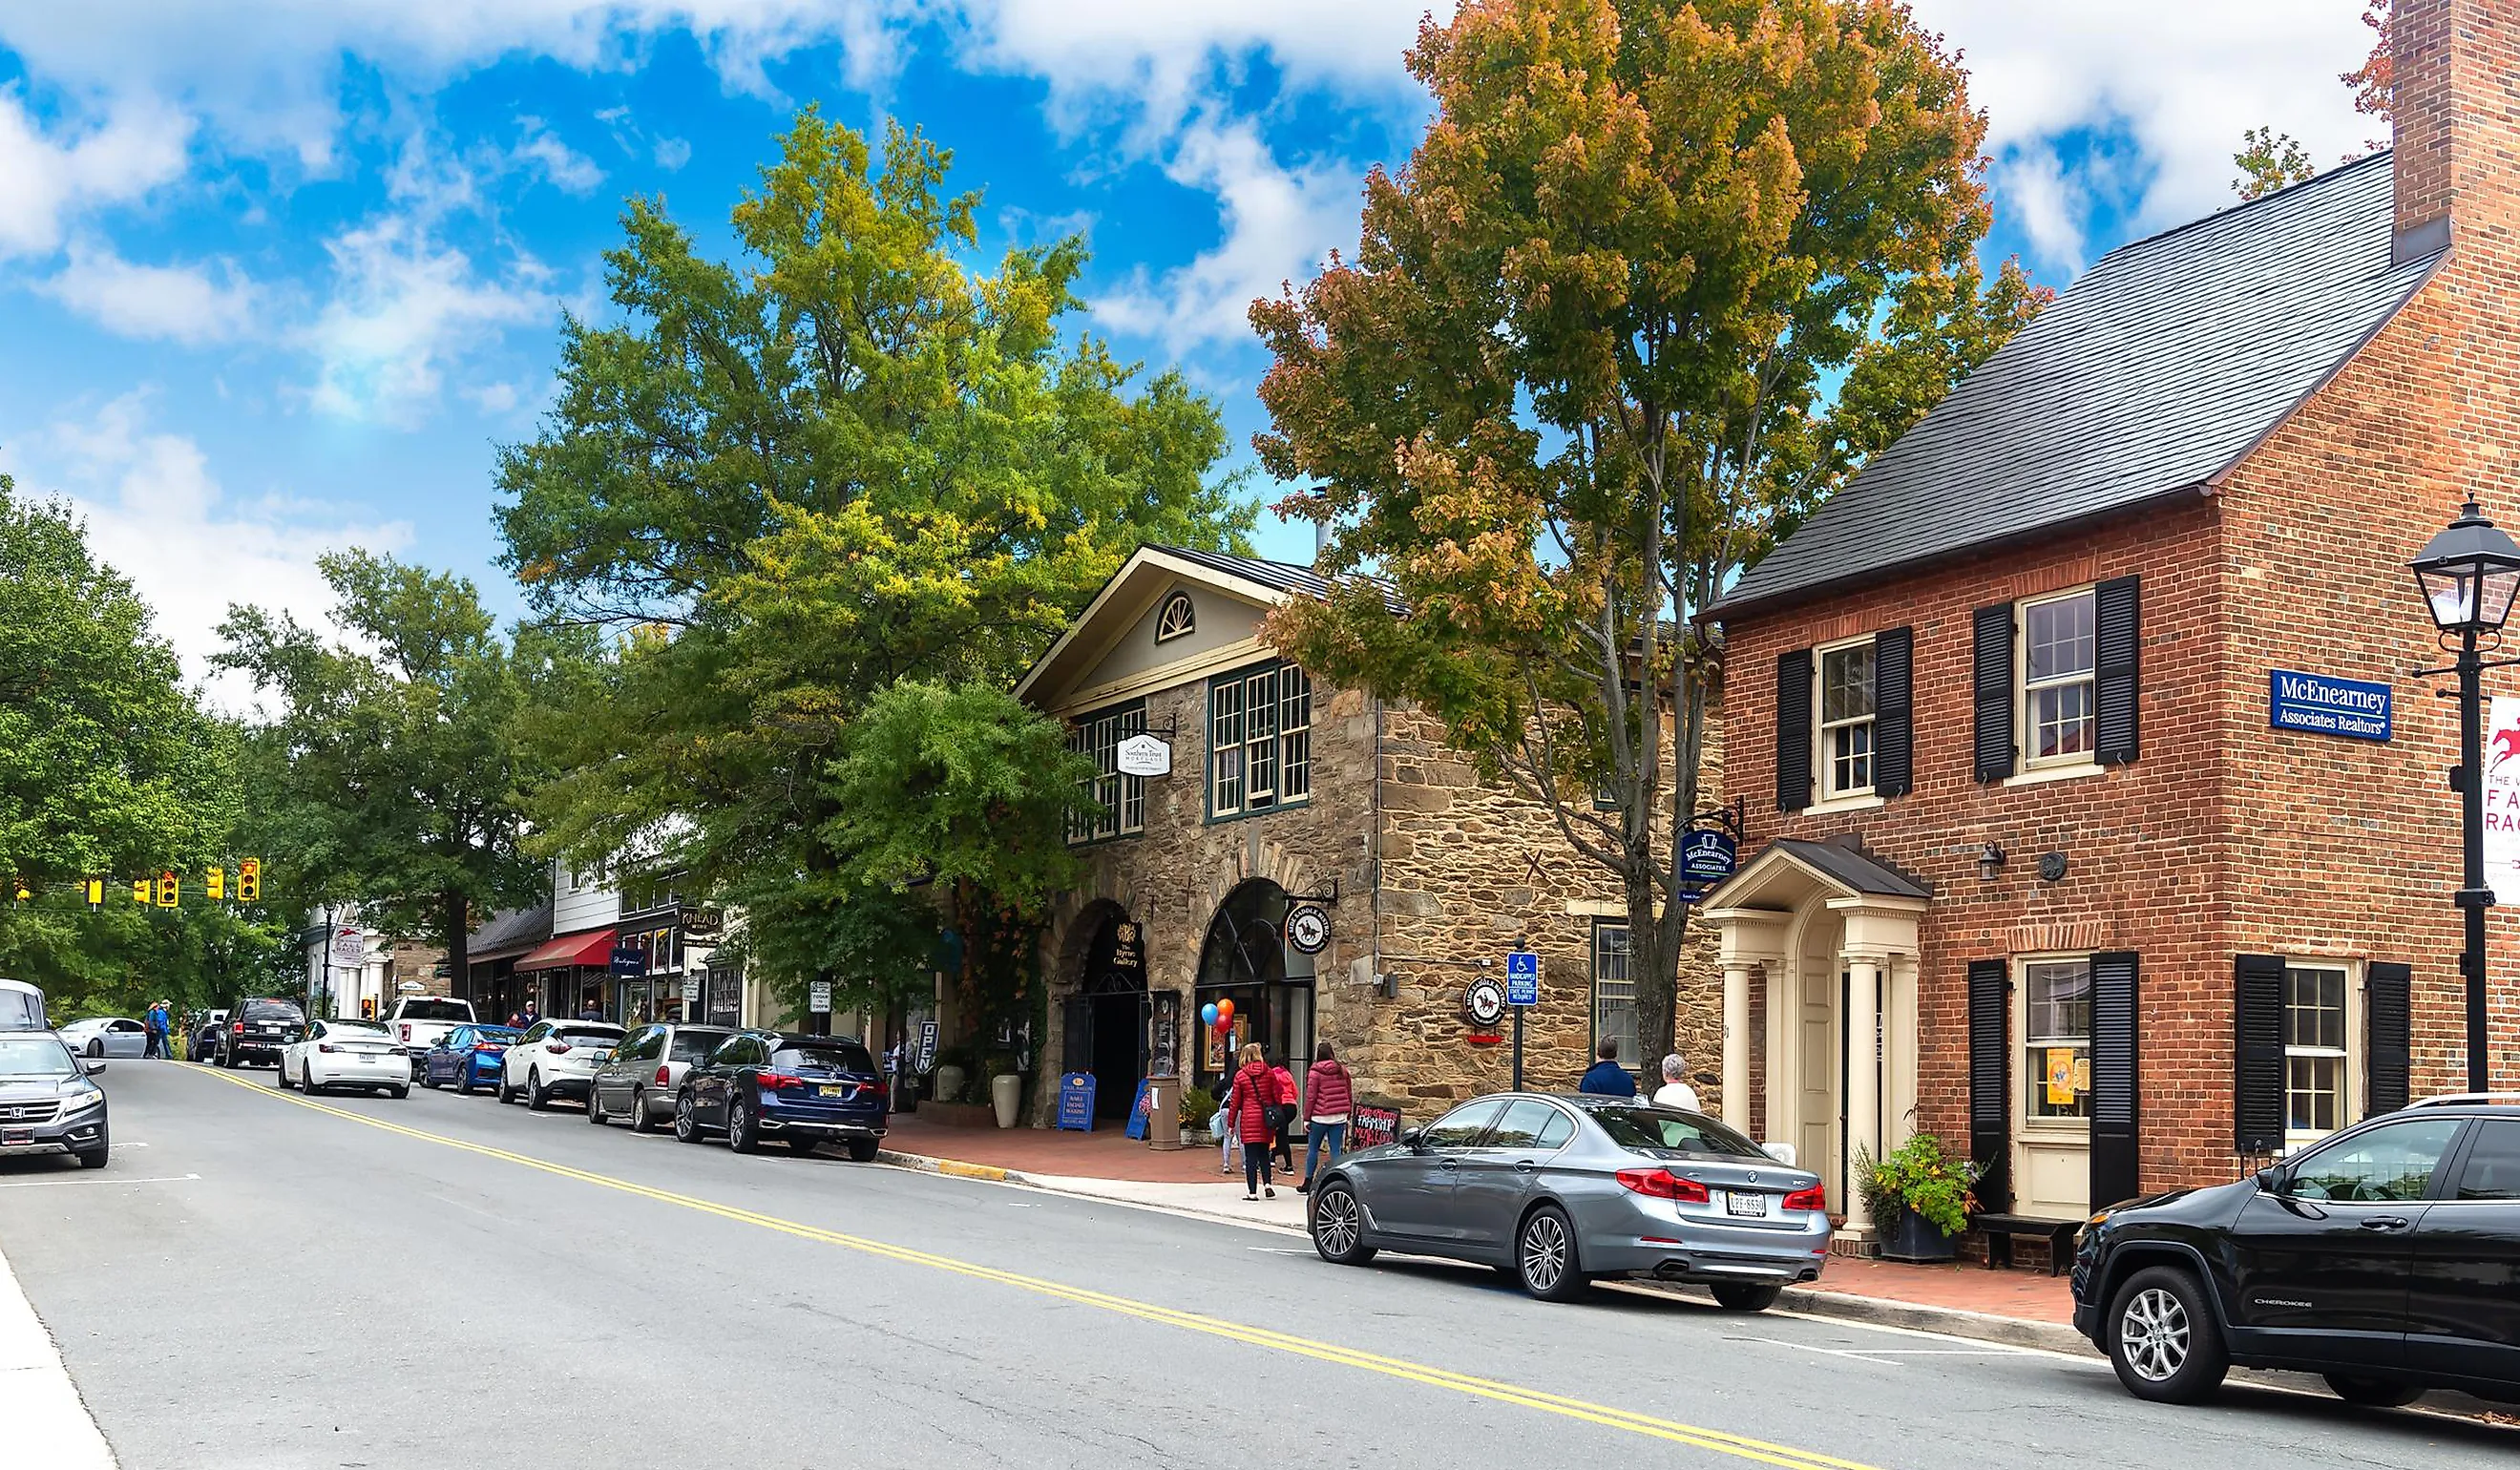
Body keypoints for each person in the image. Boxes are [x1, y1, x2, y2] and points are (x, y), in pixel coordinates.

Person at [1228, 1042, 1290, 1201]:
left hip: (1249, 1119)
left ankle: (1252, 1192)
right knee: (1264, 1153)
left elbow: (1234, 1102)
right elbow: (1278, 1094)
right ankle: (1268, 1184)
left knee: (1251, 1158)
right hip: (1265, 1119)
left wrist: (1230, 1123)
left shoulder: (1240, 1076)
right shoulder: (1269, 1073)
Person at [1298, 1041, 1354, 1193]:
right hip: (1339, 1116)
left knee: (1313, 1149)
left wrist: (1306, 1118)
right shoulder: (1342, 1070)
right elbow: (1349, 1092)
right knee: (1336, 1149)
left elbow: (1311, 1097)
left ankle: (1308, 1181)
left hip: (1320, 1116)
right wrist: (1348, 1112)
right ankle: (1337, 1182)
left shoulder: (1315, 1072)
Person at [1269, 1051, 1300, 1172]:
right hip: (1292, 1107)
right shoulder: (1288, 1074)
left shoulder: (1272, 1074)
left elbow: (1272, 1092)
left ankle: (1288, 1165)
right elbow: (1295, 1092)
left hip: (1280, 1106)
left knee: (1279, 1135)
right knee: (1281, 1133)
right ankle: (1273, 1156)